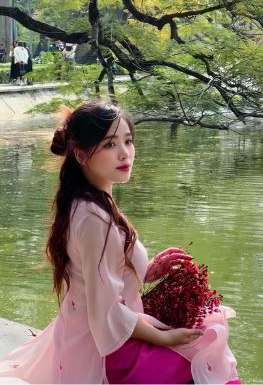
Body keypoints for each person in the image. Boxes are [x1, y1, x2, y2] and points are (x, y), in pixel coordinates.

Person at [0, 102, 241, 383]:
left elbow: (96, 277)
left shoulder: (89, 202)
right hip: (106, 349)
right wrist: (165, 339)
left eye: (128, 141)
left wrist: (145, 269)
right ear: (81, 155)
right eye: (110, 144)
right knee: (207, 352)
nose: (125, 153)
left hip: (95, 332)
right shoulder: (94, 219)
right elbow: (105, 311)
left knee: (207, 336)